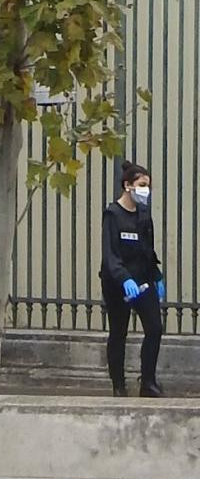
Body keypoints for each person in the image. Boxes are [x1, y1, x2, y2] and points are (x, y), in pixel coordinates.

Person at [101, 159, 166, 398]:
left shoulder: (143, 214)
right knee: (119, 332)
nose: (145, 190)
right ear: (128, 185)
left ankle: (148, 382)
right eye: (142, 185)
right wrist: (124, 279)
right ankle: (118, 385)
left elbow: (147, 249)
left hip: (143, 279)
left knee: (155, 328)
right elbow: (110, 255)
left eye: (148, 186)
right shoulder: (113, 214)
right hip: (118, 283)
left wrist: (156, 276)